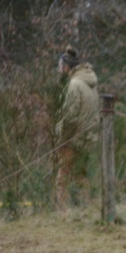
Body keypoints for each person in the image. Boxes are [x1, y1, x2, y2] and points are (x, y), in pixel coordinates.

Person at [54, 47, 99, 206]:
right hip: (87, 139)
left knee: (62, 179)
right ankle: (87, 210)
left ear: (67, 67)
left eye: (60, 66)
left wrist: (62, 140)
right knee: (81, 176)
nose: (59, 69)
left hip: (73, 140)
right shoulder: (90, 82)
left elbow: (70, 118)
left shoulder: (74, 84)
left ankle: (62, 215)